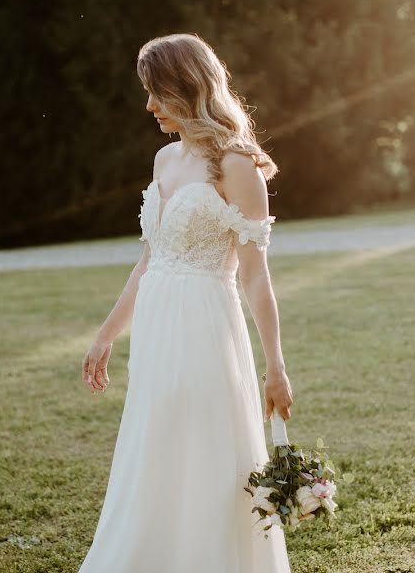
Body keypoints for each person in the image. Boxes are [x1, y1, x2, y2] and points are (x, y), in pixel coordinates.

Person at [78, 33, 294, 572]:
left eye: (157, 93)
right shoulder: (163, 160)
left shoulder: (236, 165)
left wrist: (276, 366)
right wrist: (106, 336)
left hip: (206, 328)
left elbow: (255, 275)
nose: (148, 105)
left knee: (206, 455)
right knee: (156, 451)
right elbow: (150, 261)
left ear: (187, 88)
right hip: (155, 329)